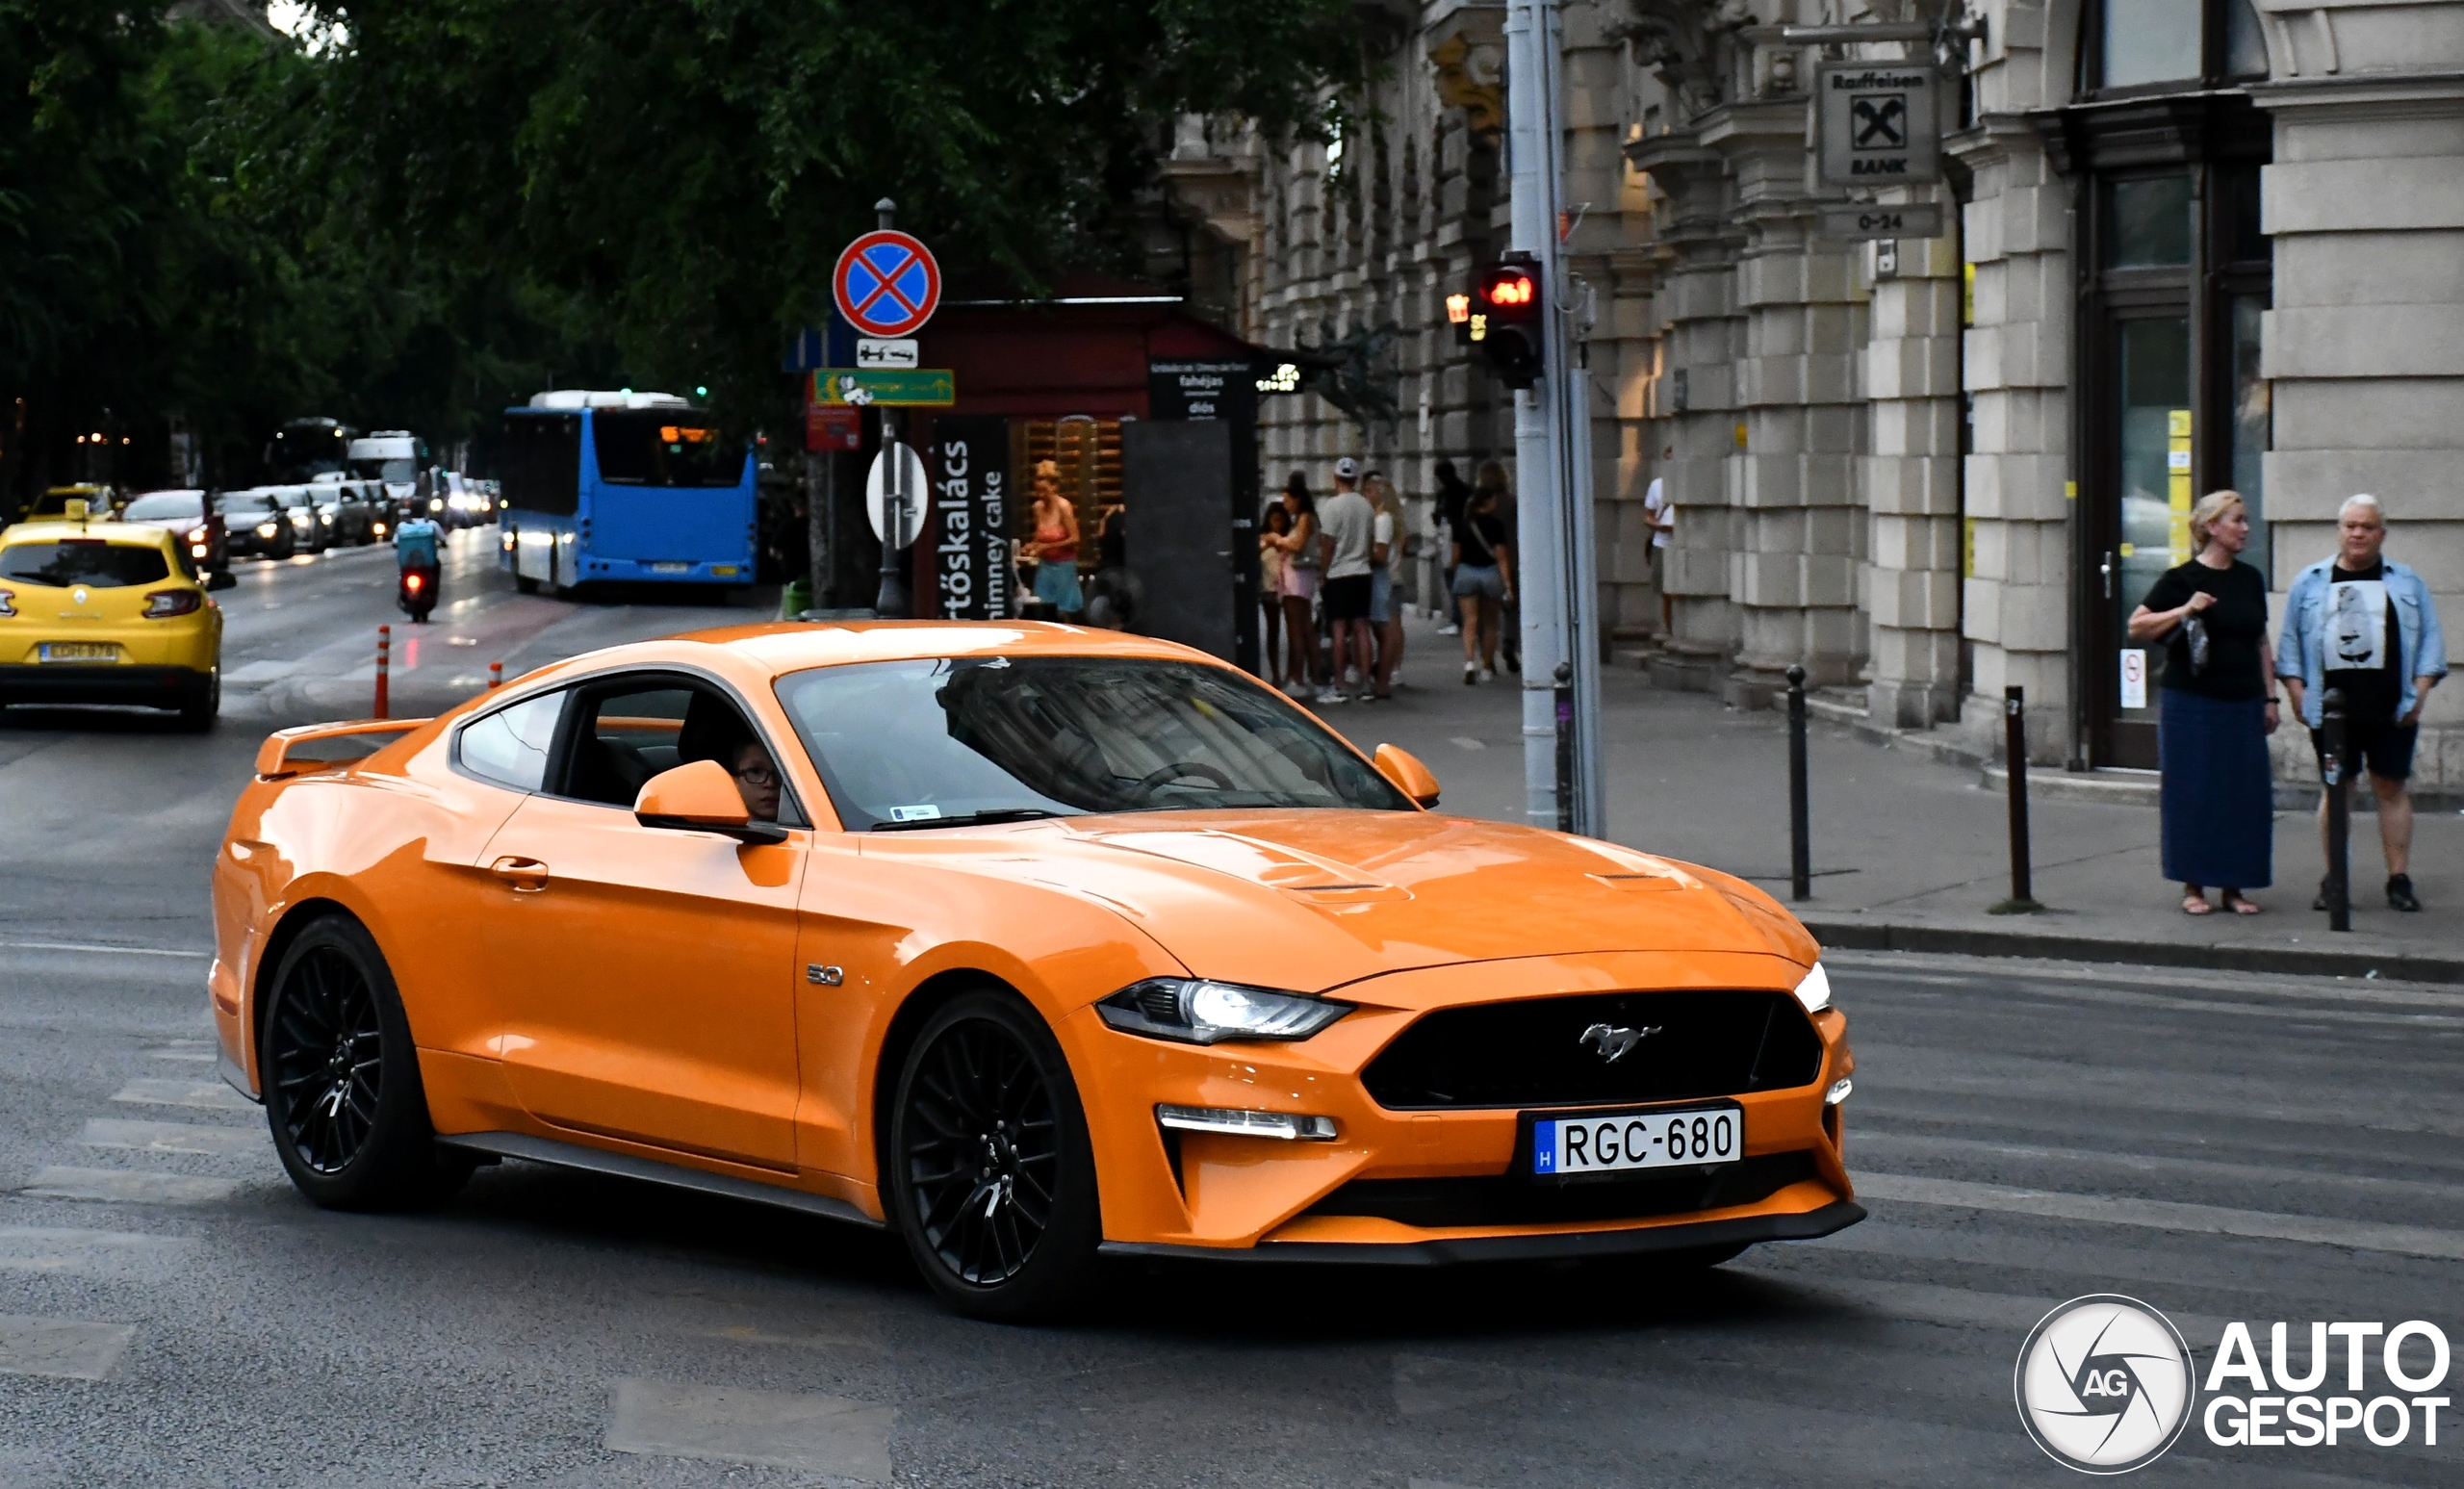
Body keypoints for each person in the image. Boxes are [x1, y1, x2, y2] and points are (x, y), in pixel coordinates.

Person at [2276, 493, 2449, 912]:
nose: (2358, 533)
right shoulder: (2311, 581)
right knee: (2338, 790)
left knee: (2391, 787)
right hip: (2332, 708)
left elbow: (2430, 642)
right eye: (2350, 525)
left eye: (2367, 527)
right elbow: (2289, 645)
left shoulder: (2406, 582)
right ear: (2339, 531)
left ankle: (2399, 879)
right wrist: (2297, 692)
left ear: (2382, 534)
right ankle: (2334, 880)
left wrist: (2420, 692)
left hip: (2392, 707)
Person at [2128, 491, 2275, 915]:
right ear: (2212, 527)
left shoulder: (2249, 579)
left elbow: (2260, 640)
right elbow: (2137, 625)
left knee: (2243, 795)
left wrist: (2270, 697)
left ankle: (2234, 887)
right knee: (2193, 792)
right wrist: (2184, 609)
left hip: (2242, 701)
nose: (2246, 528)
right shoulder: (2183, 578)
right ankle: (2193, 886)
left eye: (2247, 520)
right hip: (2191, 704)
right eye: (2237, 520)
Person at [1315, 457, 1375, 704]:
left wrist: (1323, 573)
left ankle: (1339, 683)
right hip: (1362, 571)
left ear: (1336, 478)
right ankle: (1365, 682)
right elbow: (1370, 542)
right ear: (1356, 479)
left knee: (1338, 629)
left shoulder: (1331, 507)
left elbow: (1328, 544)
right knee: (1362, 628)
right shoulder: (1366, 507)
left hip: (1339, 573)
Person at [1451, 482, 1513, 682]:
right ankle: (1487, 667)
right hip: (1489, 574)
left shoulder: (1462, 523)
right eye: (1494, 500)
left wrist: (1456, 571)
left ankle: (1469, 663)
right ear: (1487, 502)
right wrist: (1508, 585)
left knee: (1470, 622)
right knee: (1490, 624)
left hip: (1466, 571)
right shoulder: (1495, 524)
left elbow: (1456, 555)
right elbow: (1501, 557)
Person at [1266, 474, 1321, 698]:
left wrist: (1276, 540)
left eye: (1287, 501)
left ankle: (1298, 677)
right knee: (1304, 628)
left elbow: (1297, 545)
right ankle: (1309, 676)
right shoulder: (1303, 518)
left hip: (1297, 578)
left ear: (1297, 499)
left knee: (1297, 629)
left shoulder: (1305, 518)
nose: (1285, 506)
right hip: (1297, 576)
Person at [1475, 460, 1520, 673]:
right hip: (1511, 561)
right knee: (1511, 608)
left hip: (1483, 563)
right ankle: (1510, 643)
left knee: (1485, 613)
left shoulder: (1477, 506)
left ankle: (1487, 657)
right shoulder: (1512, 502)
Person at [1023, 460, 1083, 617]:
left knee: (1064, 613)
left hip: (1064, 568)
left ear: (1054, 486)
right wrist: (1031, 546)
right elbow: (1039, 538)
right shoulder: (1037, 508)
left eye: (1044, 491)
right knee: (1040, 610)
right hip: (1045, 568)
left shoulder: (1064, 507)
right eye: (1038, 491)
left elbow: (1075, 539)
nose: (1041, 495)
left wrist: (1046, 547)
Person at [1364, 472, 1404, 700]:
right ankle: (1383, 676)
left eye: (1369, 491)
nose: (1366, 496)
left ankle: (1383, 681)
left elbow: (1380, 554)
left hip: (1380, 576)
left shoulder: (1382, 519)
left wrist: (1360, 556)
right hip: (1384, 577)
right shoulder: (1386, 518)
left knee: (1384, 629)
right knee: (1382, 628)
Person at [1432, 459, 1472, 635]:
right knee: (1456, 582)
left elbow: (1442, 517)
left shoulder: (1448, 494)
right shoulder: (1466, 491)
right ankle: (1462, 619)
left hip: (1451, 540)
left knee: (1453, 581)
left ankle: (1458, 620)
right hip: (1460, 540)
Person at [1258, 503, 1293, 686]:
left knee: (1293, 631)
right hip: (1269, 589)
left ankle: (1290, 674)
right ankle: (1276, 673)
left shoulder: (1288, 538)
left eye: (1281, 520)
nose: (1277, 524)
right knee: (1273, 631)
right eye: (1274, 520)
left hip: (1287, 588)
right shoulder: (1263, 538)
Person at [1643, 447, 1676, 635]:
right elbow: (1647, 515)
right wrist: (1658, 525)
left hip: (1683, 543)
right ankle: (1670, 629)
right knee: (1666, 592)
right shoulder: (1657, 485)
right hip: (1662, 541)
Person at [393, 509, 443, 618]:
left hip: (408, 564)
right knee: (437, 567)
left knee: (403, 574)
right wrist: (443, 543)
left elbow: (395, 542)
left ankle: (404, 592)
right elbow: (443, 538)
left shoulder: (402, 526)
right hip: (427, 565)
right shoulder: (432, 524)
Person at [728, 737, 783, 821]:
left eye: (780, 772)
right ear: (735, 780)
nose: (770, 783)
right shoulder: (714, 833)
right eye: (755, 771)